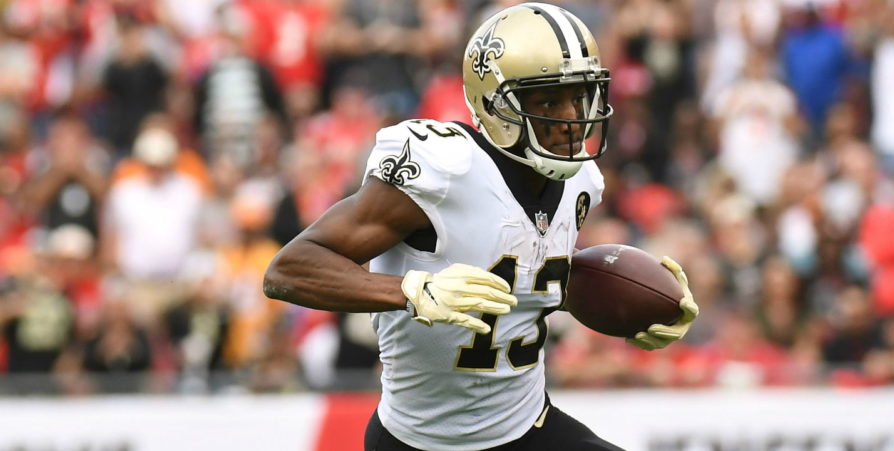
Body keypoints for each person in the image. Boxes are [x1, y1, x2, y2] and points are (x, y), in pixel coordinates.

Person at [263, 4, 698, 450]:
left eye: (580, 95)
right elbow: (289, 269)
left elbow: (525, 279)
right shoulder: (444, 171)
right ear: (497, 105)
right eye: (550, 100)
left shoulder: (581, 182)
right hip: (420, 440)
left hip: (526, 426)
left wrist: (632, 301)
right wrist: (412, 291)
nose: (571, 118)